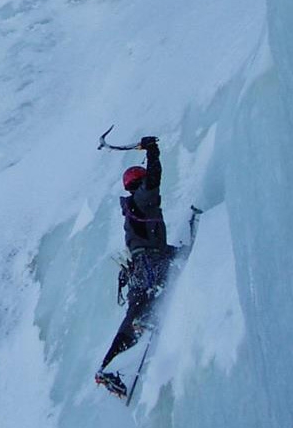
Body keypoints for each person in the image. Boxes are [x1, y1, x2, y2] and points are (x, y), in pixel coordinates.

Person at [95, 135, 174, 397]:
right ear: (138, 182)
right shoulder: (142, 199)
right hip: (150, 263)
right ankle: (143, 321)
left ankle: (106, 369)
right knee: (151, 296)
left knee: (132, 318)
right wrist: (153, 150)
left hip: (138, 268)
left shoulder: (130, 209)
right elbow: (154, 179)